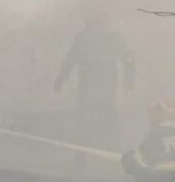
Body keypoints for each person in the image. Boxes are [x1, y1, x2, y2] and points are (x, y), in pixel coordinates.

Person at [54, 11, 135, 163]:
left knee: (100, 119)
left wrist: (128, 82)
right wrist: (61, 78)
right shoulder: (85, 38)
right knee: (89, 120)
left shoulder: (110, 38)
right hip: (90, 87)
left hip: (102, 87)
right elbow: (70, 59)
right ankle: (85, 156)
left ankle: (106, 155)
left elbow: (128, 59)